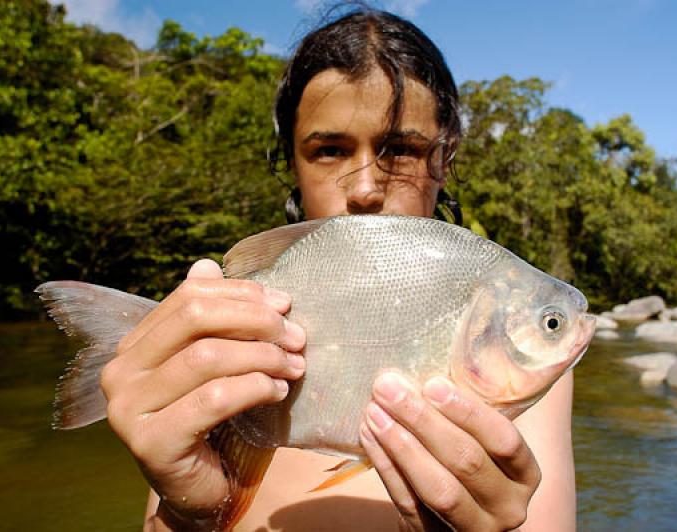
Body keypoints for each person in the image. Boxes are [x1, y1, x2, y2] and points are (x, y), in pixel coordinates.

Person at [100, 8, 576, 531]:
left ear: (444, 158)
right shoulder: (216, 340)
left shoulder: (525, 359)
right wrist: (190, 509)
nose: (366, 188)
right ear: (292, 161)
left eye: (401, 149)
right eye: (329, 150)